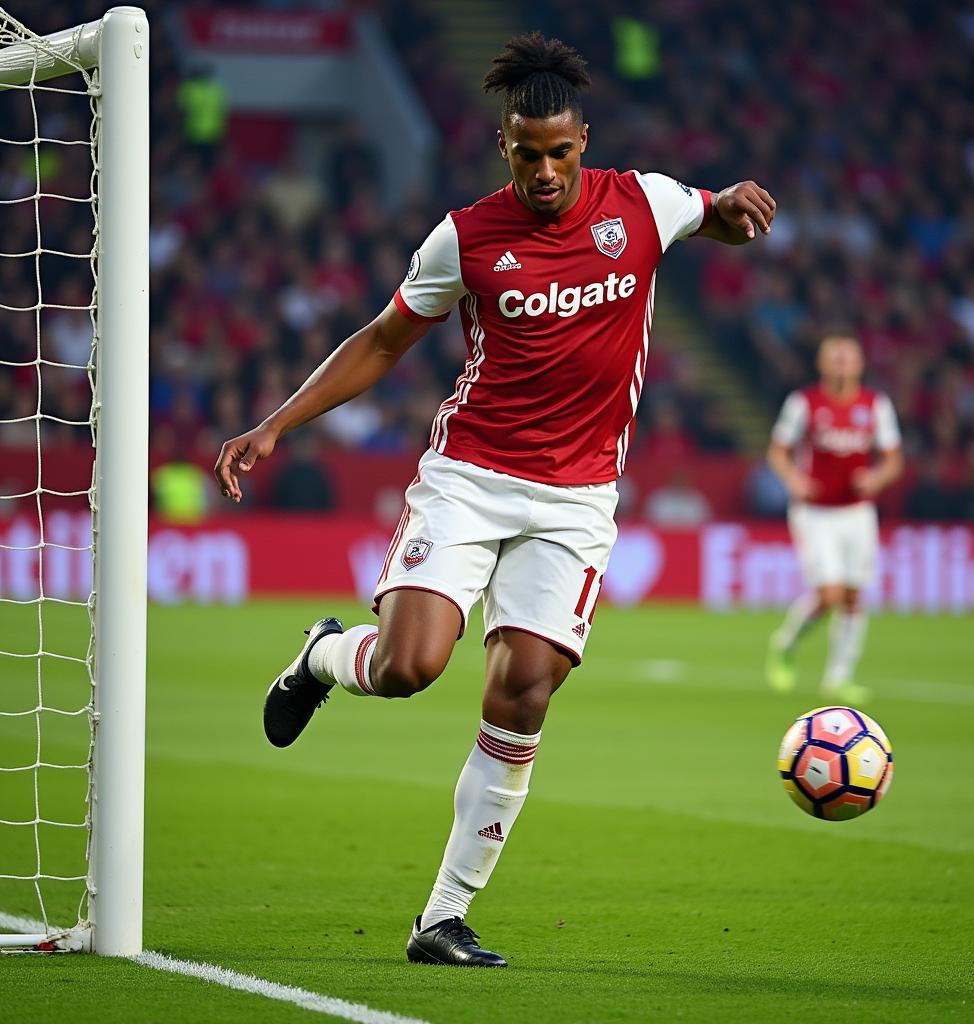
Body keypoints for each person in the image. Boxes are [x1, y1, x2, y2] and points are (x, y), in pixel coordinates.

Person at [215, 32, 775, 968]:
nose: (547, 170)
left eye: (561, 152)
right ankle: (322, 657)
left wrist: (737, 209)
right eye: (528, 153)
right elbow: (386, 340)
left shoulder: (641, 201)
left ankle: (441, 916)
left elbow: (710, 214)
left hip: (578, 498)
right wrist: (277, 423)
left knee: (523, 689)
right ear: (504, 147)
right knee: (409, 667)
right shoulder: (466, 237)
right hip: (471, 480)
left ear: (583, 139)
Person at [764, 335, 903, 702]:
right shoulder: (804, 403)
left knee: (854, 596)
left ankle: (838, 677)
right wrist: (795, 479)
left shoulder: (875, 405)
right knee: (830, 594)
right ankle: (785, 642)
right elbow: (777, 452)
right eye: (835, 359)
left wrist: (876, 478)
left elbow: (893, 460)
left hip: (857, 512)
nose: (842, 365)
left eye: (848, 359)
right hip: (815, 512)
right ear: (822, 365)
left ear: (860, 365)